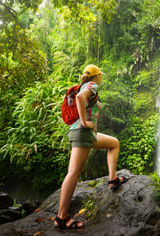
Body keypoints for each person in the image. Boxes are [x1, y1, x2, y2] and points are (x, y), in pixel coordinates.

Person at [54, 64, 129, 230]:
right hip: (82, 132)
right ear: (96, 76)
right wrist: (84, 122)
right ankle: (62, 217)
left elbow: (80, 100)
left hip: (85, 133)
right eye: (100, 75)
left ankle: (113, 179)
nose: (101, 78)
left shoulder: (83, 86)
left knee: (114, 143)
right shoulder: (92, 86)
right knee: (73, 173)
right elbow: (80, 98)